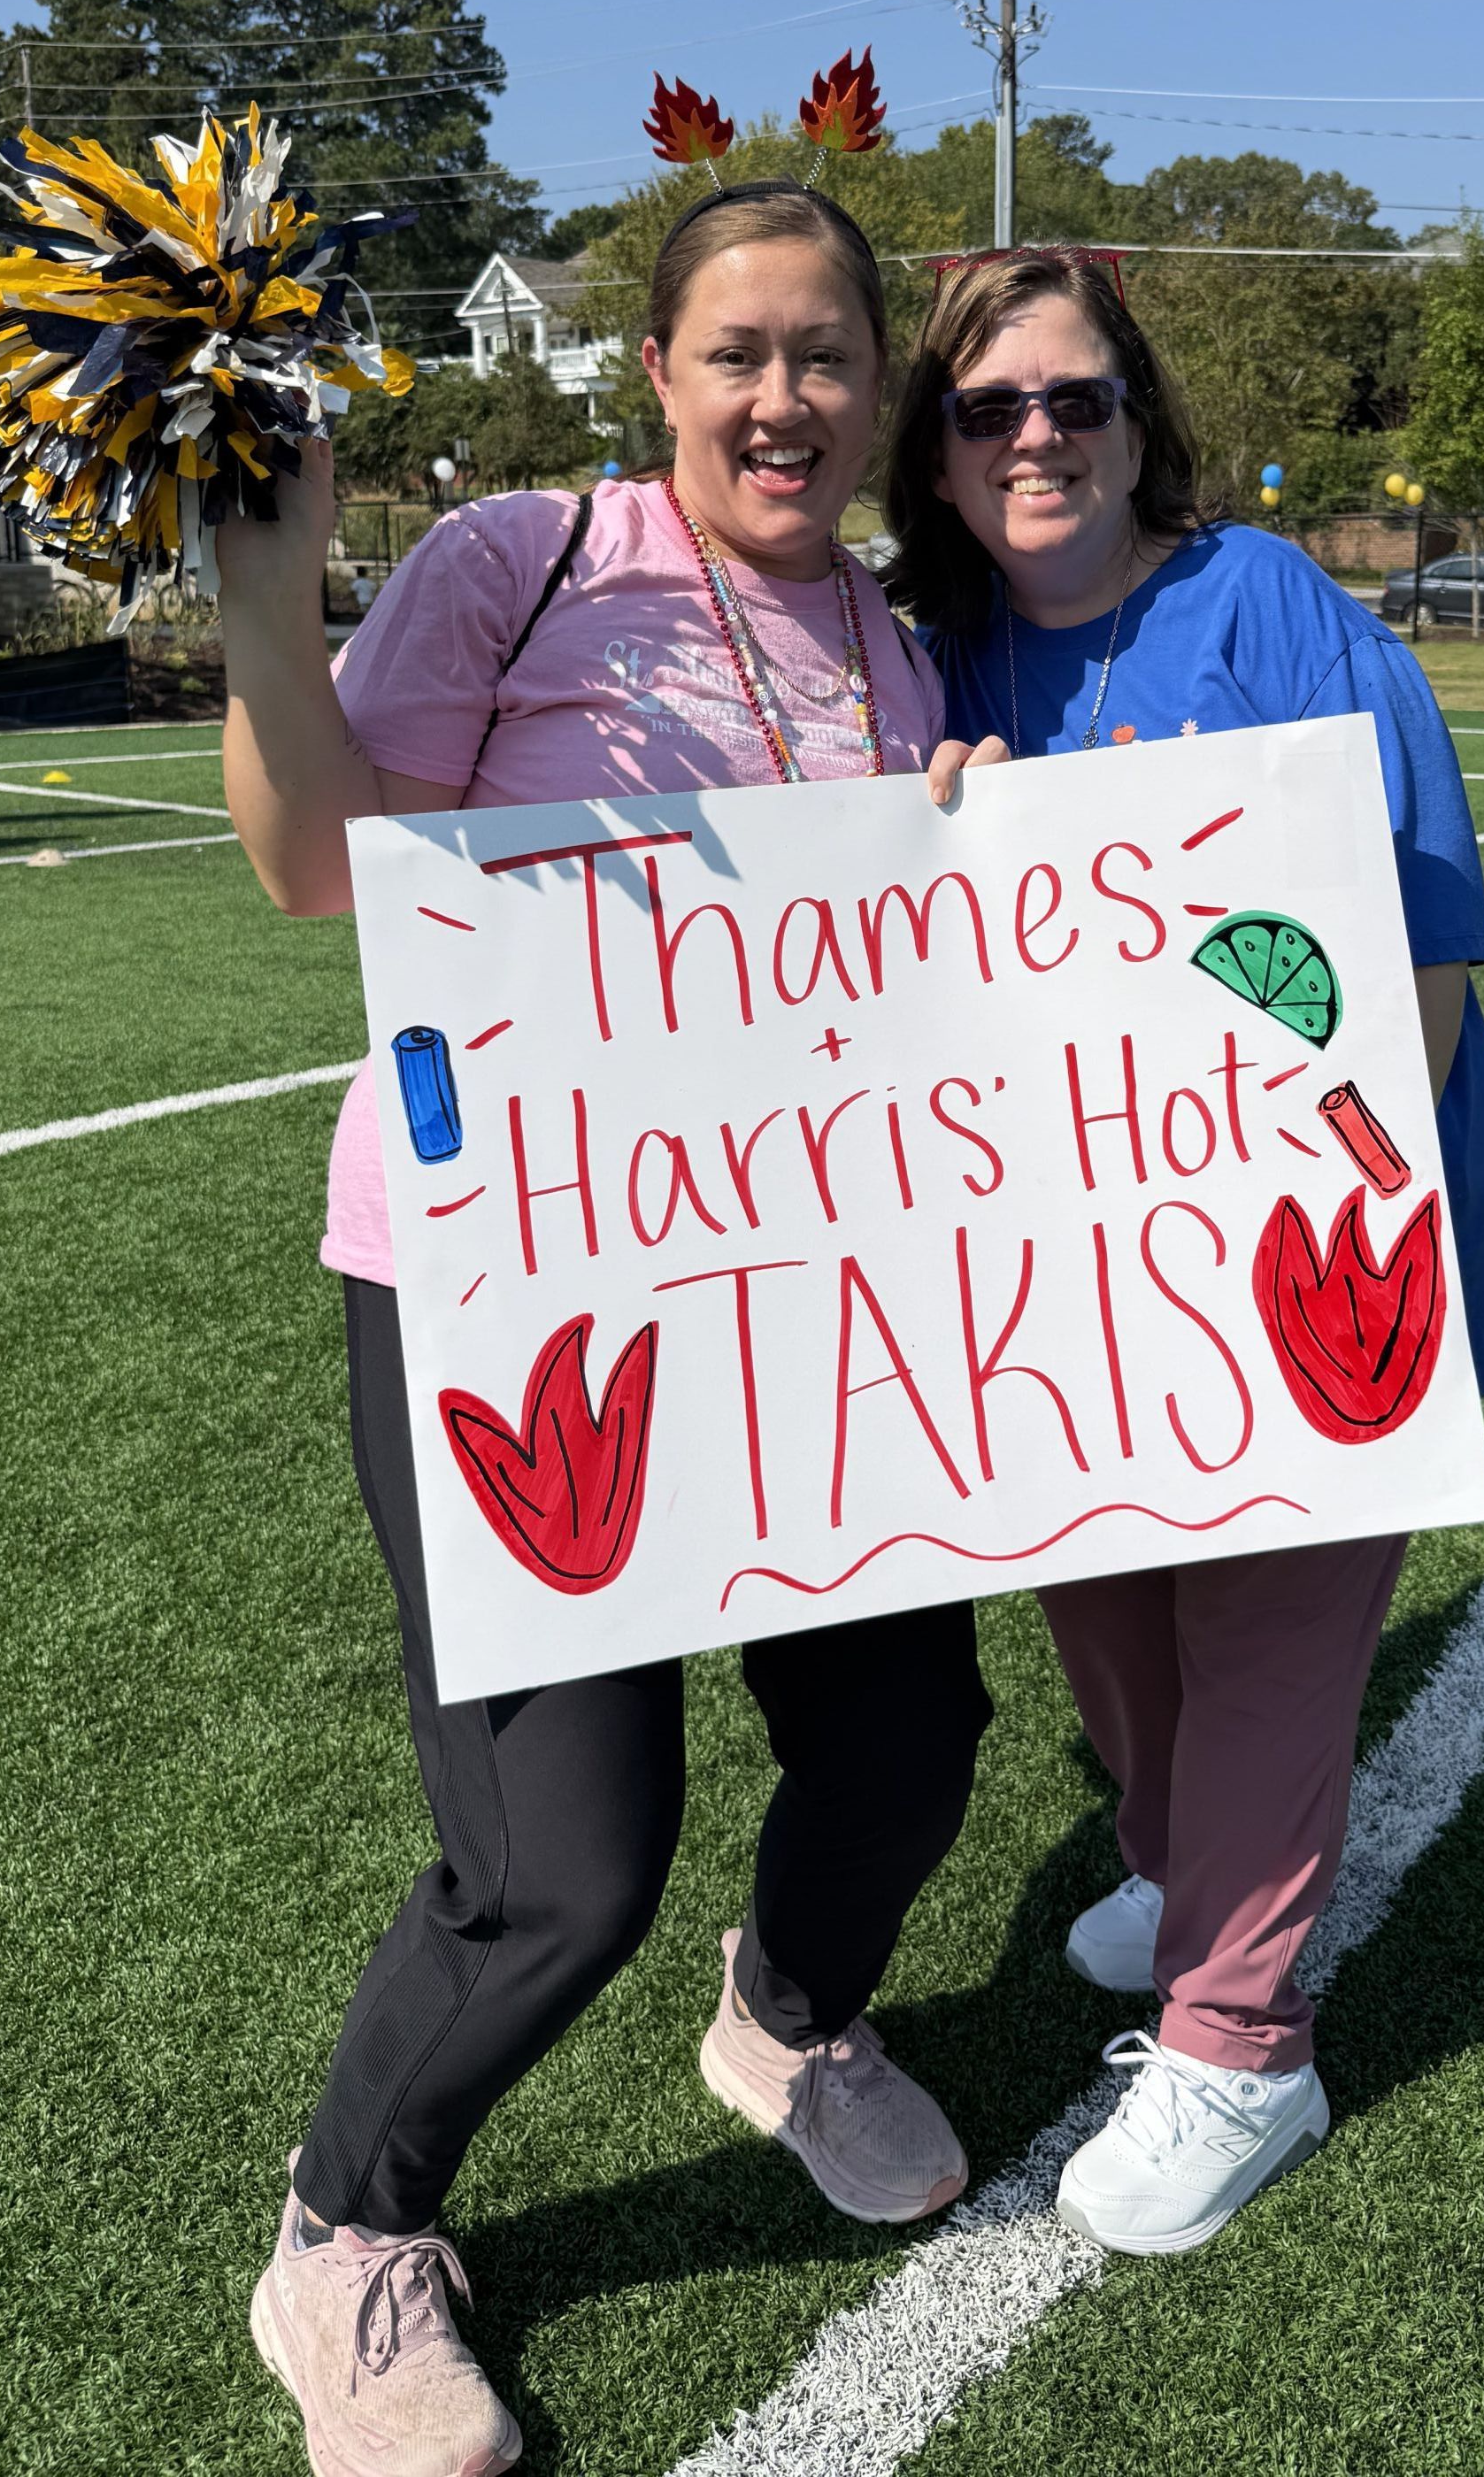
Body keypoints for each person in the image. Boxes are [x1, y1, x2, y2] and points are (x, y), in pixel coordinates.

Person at [219, 182, 1003, 2475]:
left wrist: (965, 857)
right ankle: (342, 2234)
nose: (786, 398)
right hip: (499, 1295)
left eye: (829, 355)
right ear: (658, 364)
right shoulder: (519, 565)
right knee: (565, 1862)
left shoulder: (896, 646)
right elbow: (310, 862)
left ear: (878, 387)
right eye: (739, 350)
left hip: (788, 1295)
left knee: (908, 1728)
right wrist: (271, 623)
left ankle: (789, 2020)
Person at [880, 248, 1484, 2260]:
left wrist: (1315, 1216)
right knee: (1103, 1595)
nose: (1039, 436)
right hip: (1066, 1262)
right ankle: (1177, 1862)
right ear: (945, 452)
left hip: (1312, 1255)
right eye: (991, 410)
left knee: (1260, 1625)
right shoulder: (941, 662)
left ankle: (1244, 2043)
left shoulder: (1281, 615)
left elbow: (1409, 965)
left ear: (1143, 418)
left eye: (1077, 398)